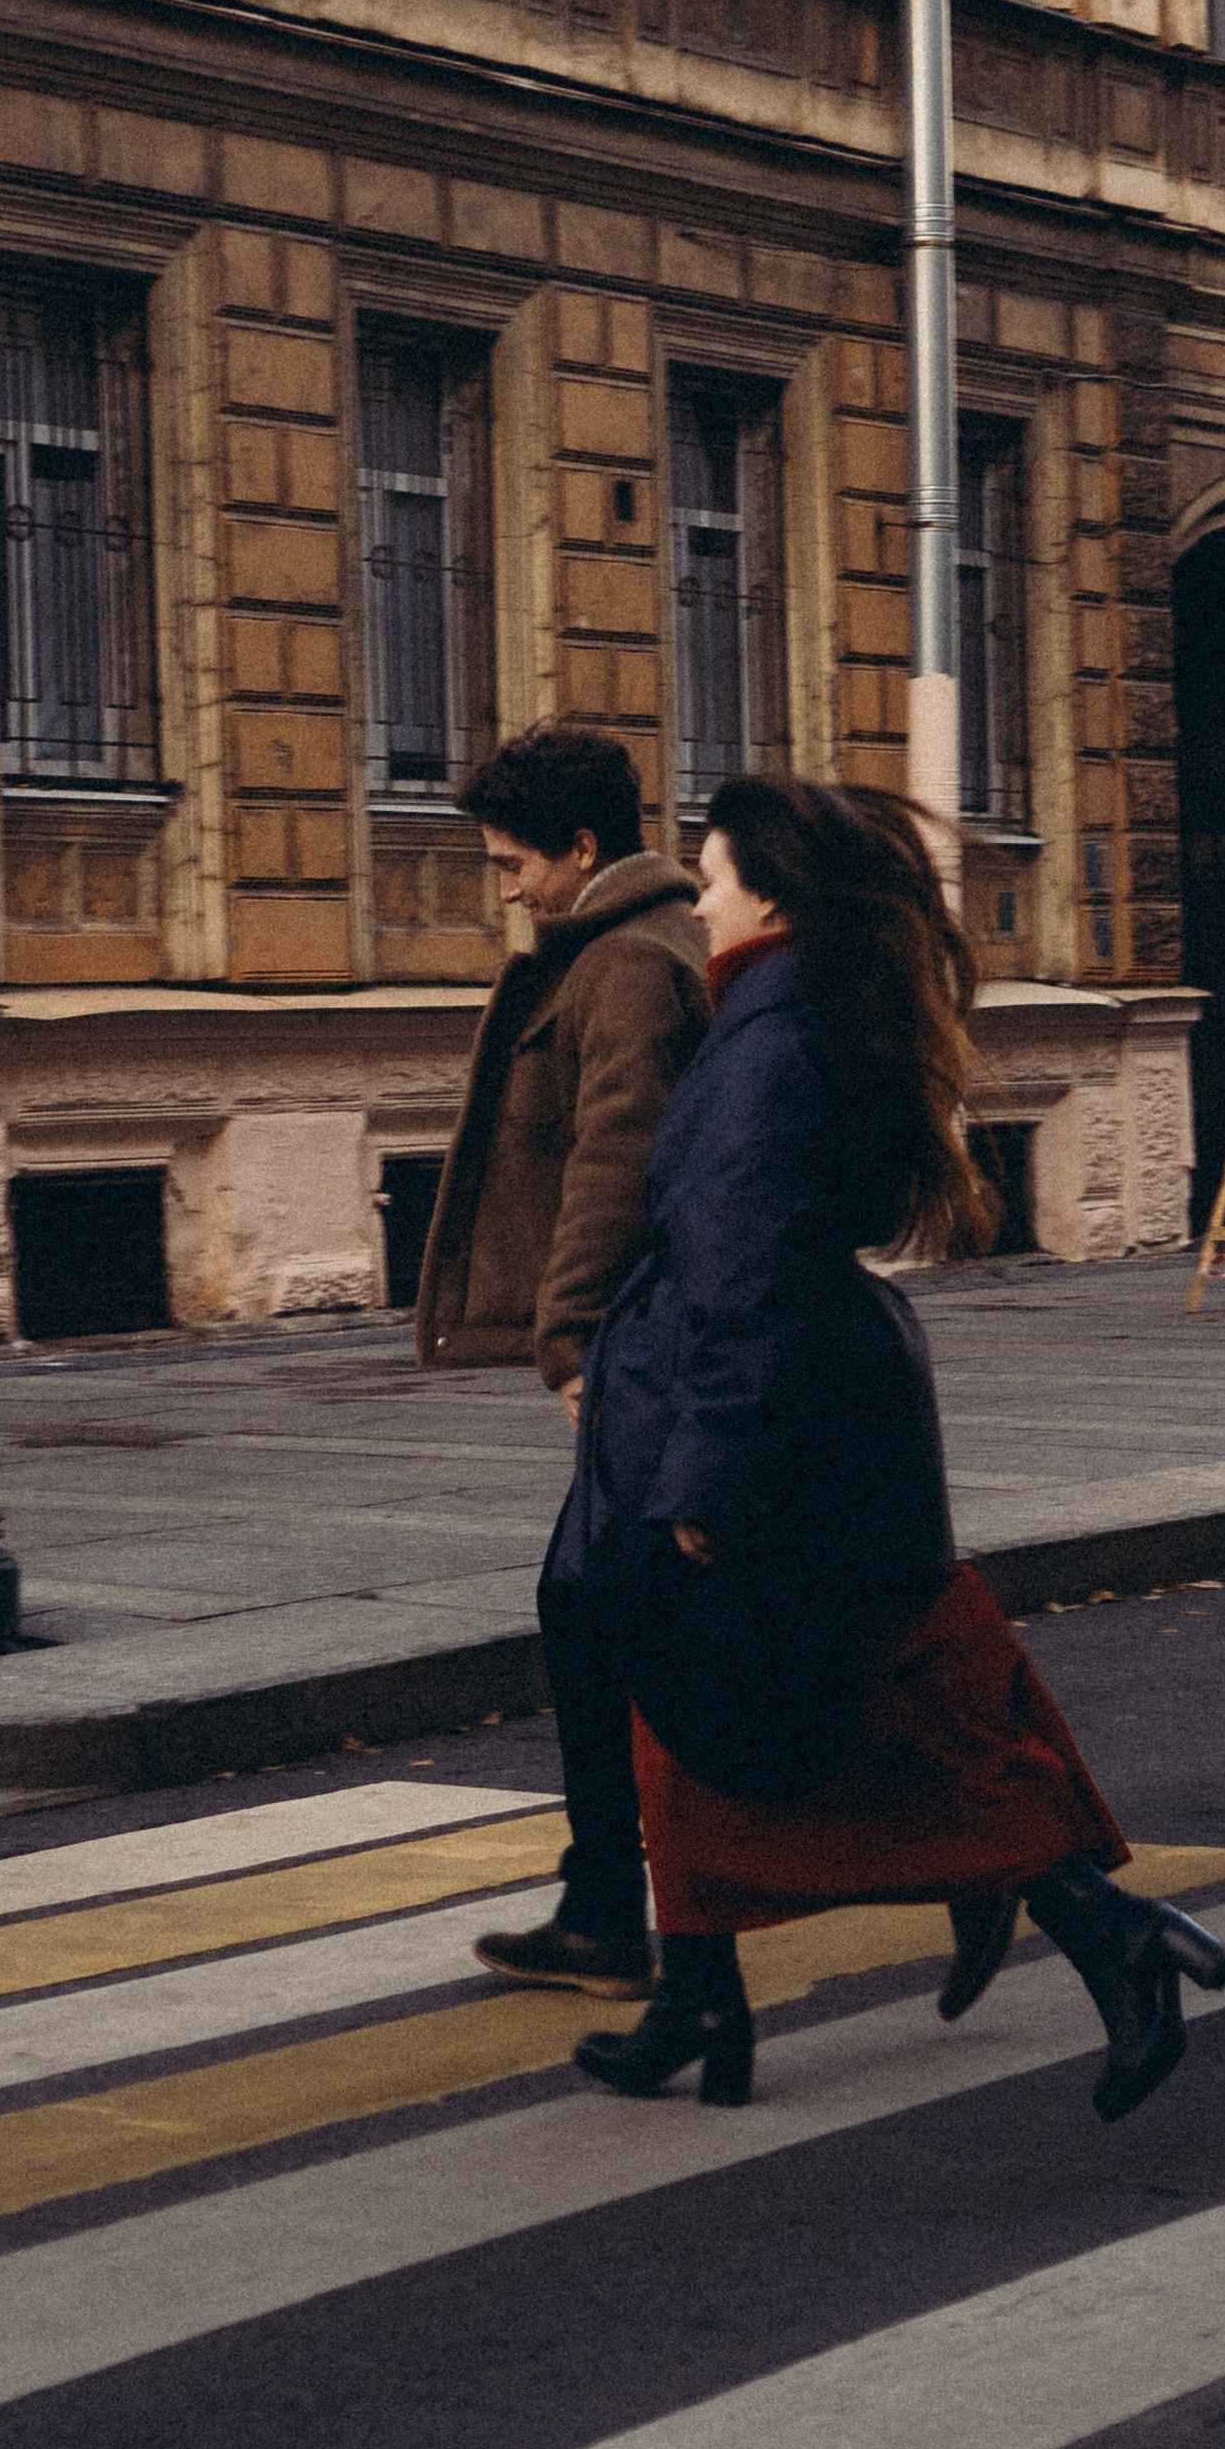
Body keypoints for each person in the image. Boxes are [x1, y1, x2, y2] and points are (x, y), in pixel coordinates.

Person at [546, 772, 1225, 2122]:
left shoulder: (764, 1044)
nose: (700, 901)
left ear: (772, 895)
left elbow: (742, 1274)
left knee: (887, 1716)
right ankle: (699, 1996)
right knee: (691, 1706)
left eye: (714, 877)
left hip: (759, 1428)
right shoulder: (806, 1011)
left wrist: (703, 1482)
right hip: (788, 1411)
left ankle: (1105, 1928)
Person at [415, 725, 710, 1994]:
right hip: (659, 1346)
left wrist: (571, 1341)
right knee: (609, 1614)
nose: (505, 889)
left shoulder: (629, 963)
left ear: (580, 849)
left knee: (602, 1612)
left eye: (512, 864)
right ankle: (615, 1909)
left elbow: (615, 1161)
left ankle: (1008, 1868)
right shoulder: (624, 947)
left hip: (649, 1350)